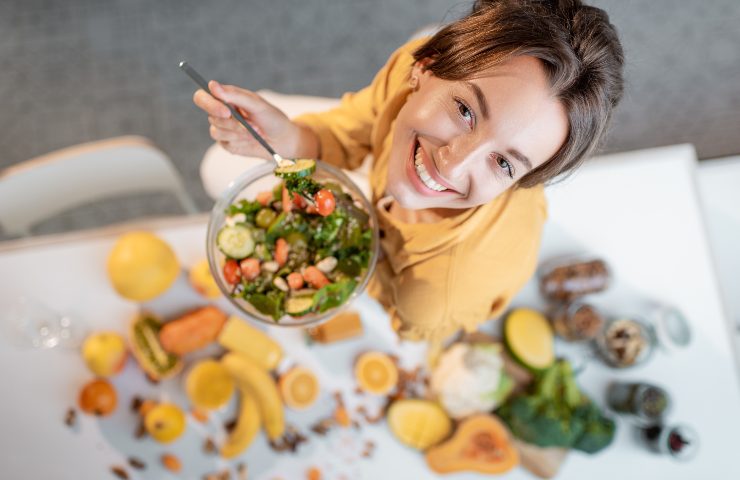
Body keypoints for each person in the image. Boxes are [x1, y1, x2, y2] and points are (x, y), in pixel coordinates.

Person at [193, 0, 624, 344]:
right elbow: (354, 129)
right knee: (218, 164)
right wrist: (289, 138)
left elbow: (407, 324)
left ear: (521, 182)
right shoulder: (406, 69)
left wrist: (360, 263)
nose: (454, 163)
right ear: (426, 64)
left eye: (505, 162)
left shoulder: (432, 295)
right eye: (466, 112)